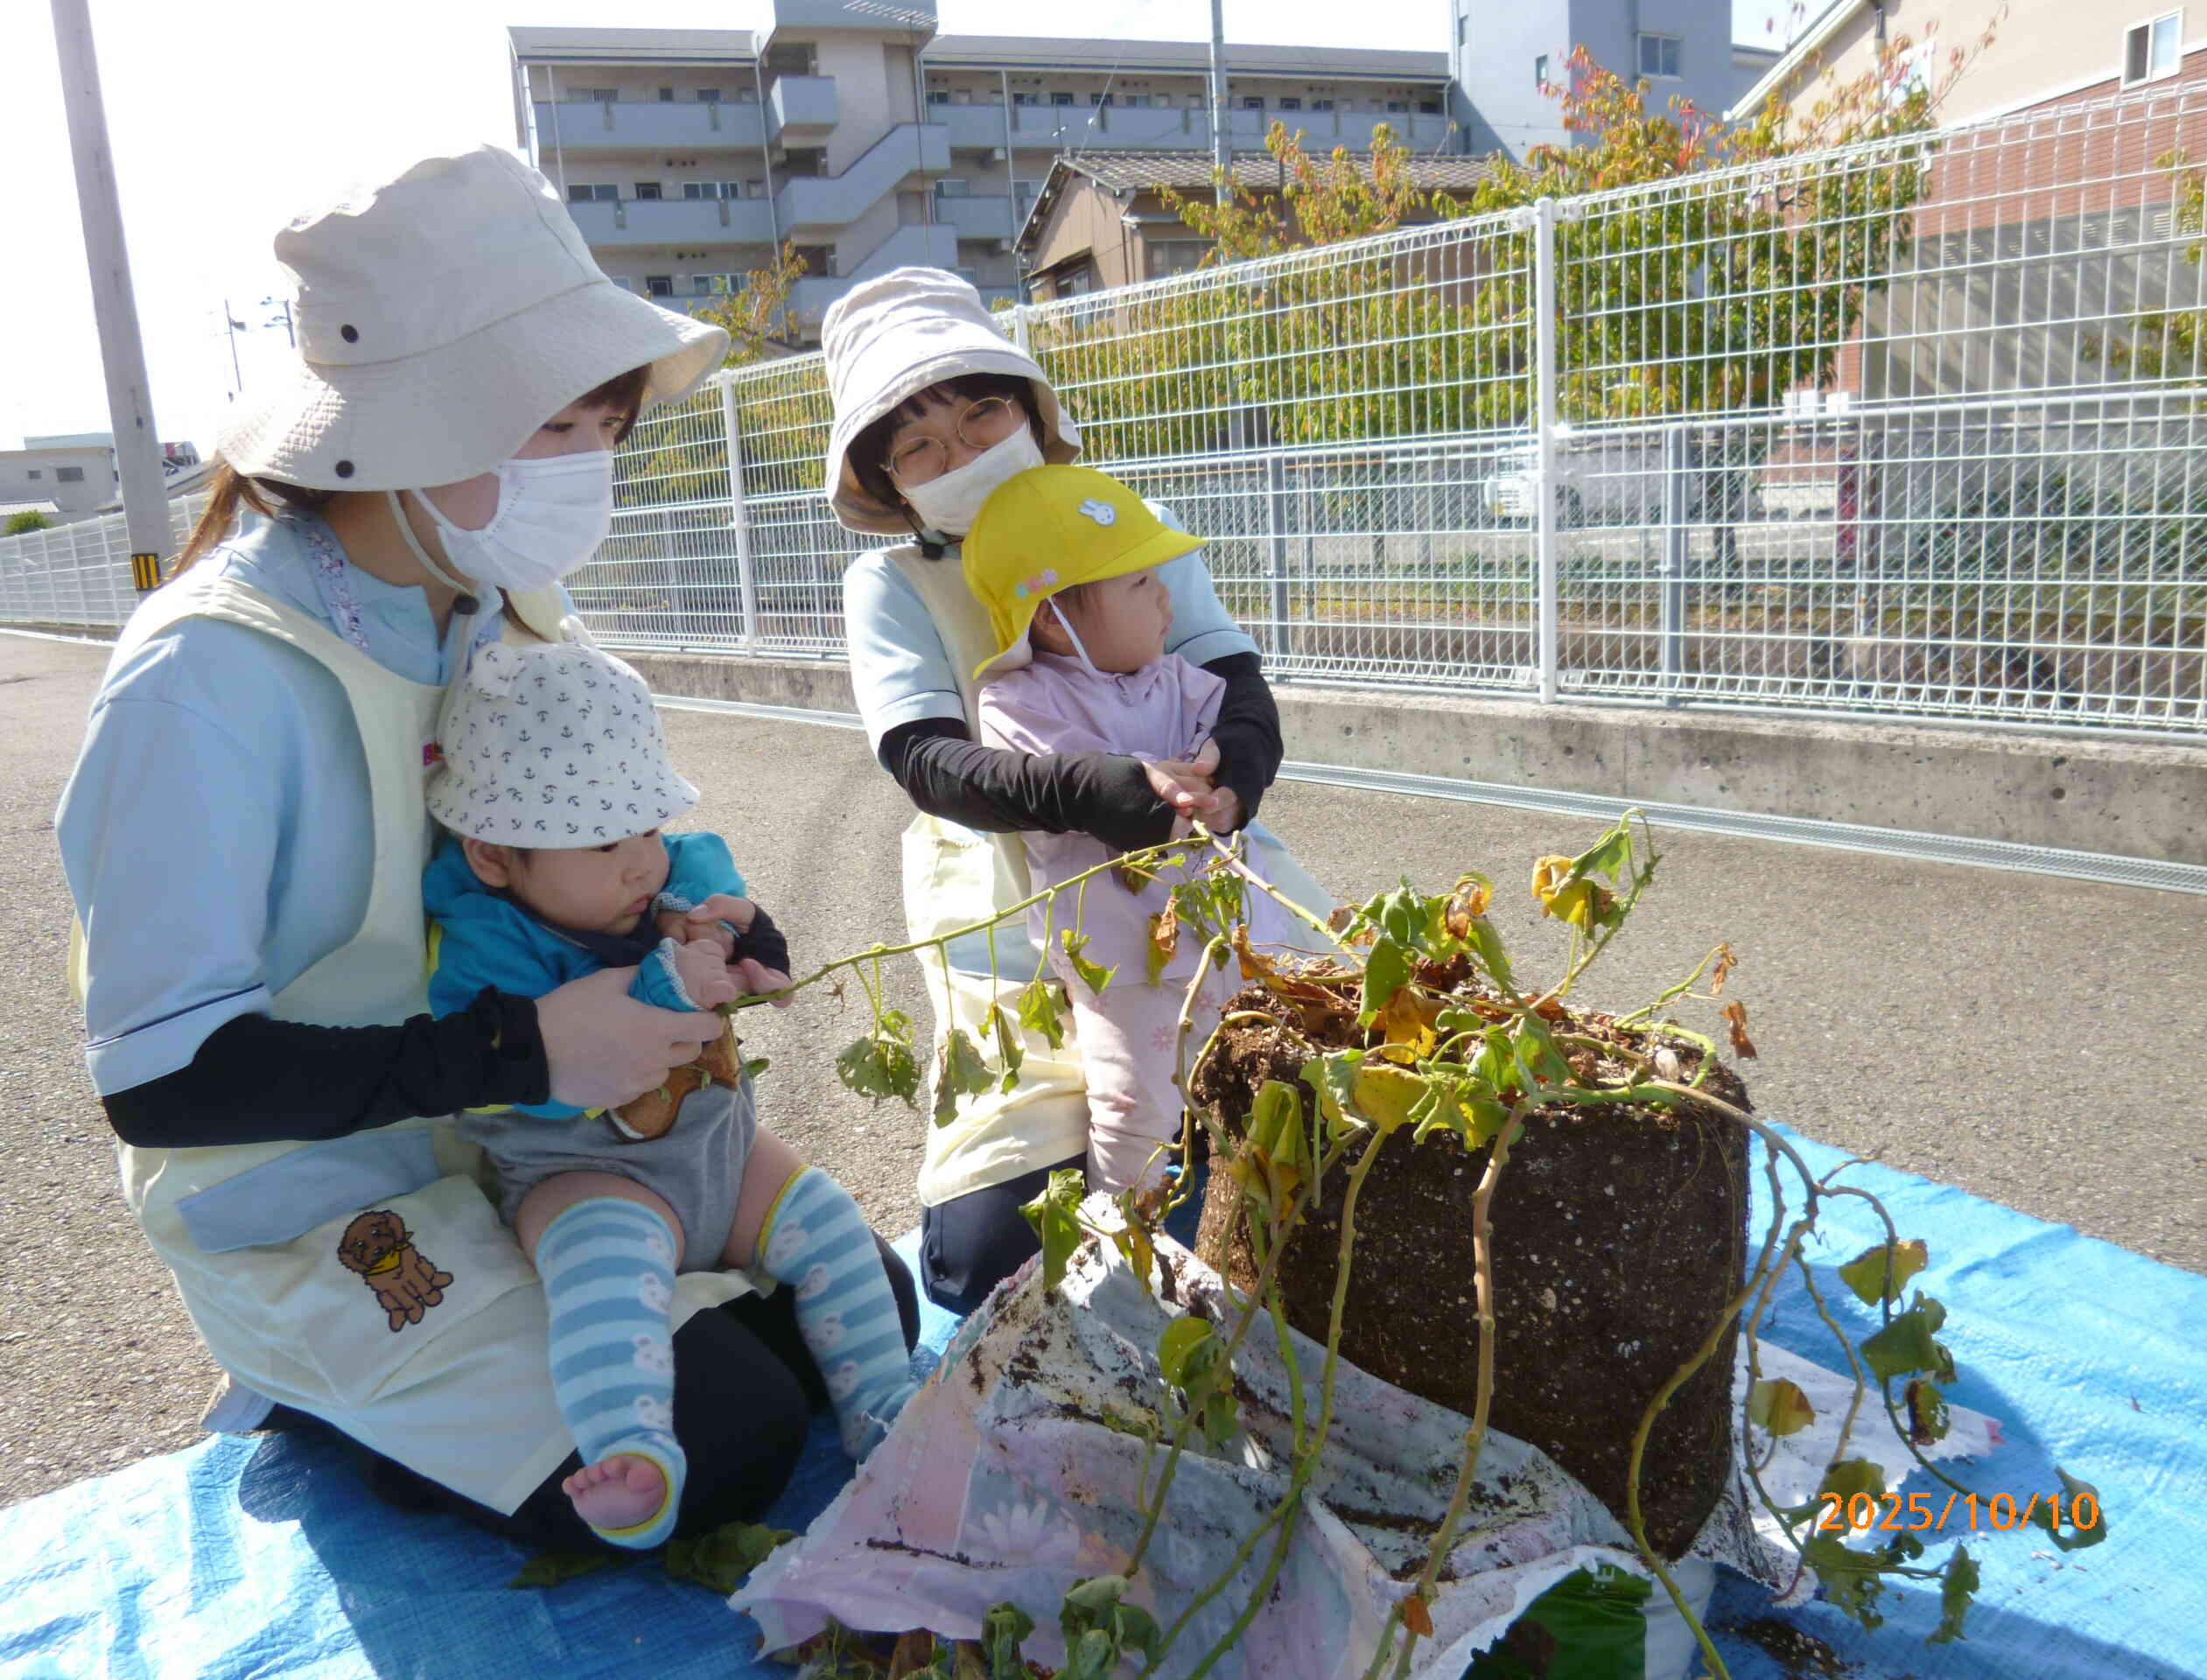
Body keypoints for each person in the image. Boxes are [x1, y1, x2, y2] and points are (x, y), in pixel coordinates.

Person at [54, 144, 914, 1552]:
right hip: (309, 1193)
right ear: (392, 428)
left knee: (857, 1304)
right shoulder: (205, 680)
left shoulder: (499, 605)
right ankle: (312, 1385)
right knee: (734, 1439)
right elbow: (159, 1086)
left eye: (603, 425)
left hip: (514, 1146)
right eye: (548, 427)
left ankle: (455, 1375)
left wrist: (704, 932)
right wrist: (523, 1051)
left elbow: (605, 847)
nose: (587, 468)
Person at [821, 269, 1333, 1314]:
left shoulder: (1112, 514)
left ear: (1030, 413)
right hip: (1013, 911)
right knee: (984, 1259)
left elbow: (1235, 687)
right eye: (919, 444)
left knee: (1309, 1107)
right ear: (889, 480)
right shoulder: (893, 585)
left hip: (1195, 881)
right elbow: (926, 760)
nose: (961, 453)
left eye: (981, 413)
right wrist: (1098, 791)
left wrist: (1229, 785)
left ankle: (1197, 1155)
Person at [422, 635, 917, 1545]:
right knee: (608, 1287)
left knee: (838, 1237)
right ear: (494, 856)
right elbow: (508, 1086)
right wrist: (664, 987)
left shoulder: (667, 877)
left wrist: (751, 943)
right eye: (605, 839)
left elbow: (723, 903)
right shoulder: (483, 943)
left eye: (646, 825)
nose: (639, 861)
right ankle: (633, 1453)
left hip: (721, 1157)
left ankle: (887, 1412)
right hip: (585, 1172)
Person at [963, 466, 1299, 1197]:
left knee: (1261, 1065)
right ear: (1053, 617)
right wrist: (1152, 778)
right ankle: (1126, 1244)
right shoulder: (1018, 701)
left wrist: (1223, 767)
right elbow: (1068, 775)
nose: (1165, 598)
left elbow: (1234, 732)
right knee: (1135, 1102)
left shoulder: (1177, 677)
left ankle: (1255, 1210)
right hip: (1123, 959)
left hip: (1227, 931)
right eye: (1140, 584)